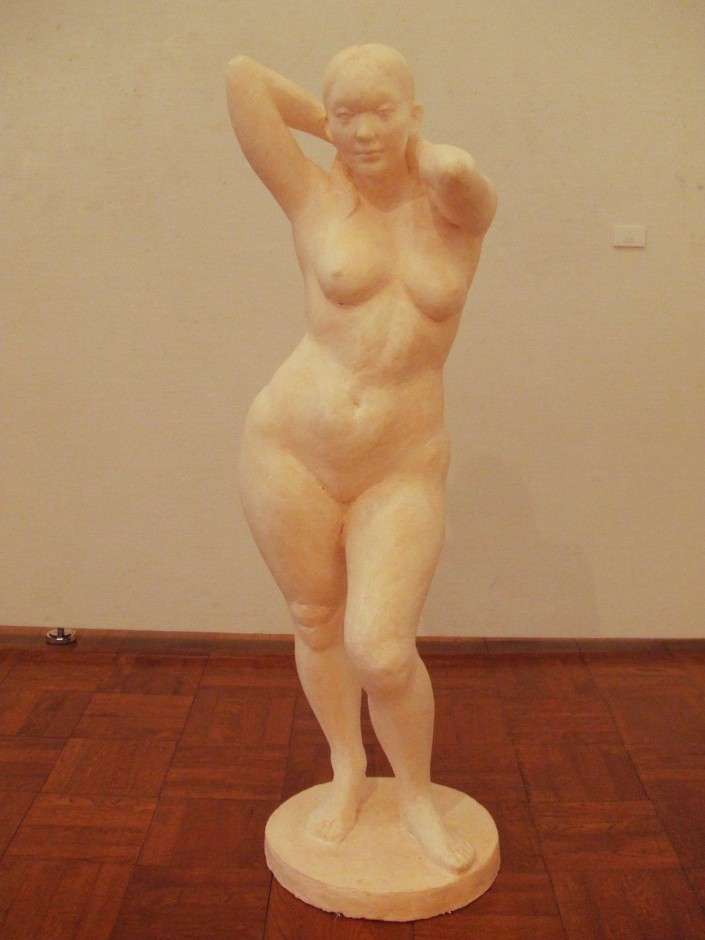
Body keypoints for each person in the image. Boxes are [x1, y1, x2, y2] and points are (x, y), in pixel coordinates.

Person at [226, 44, 496, 873]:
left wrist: (402, 141)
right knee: (316, 621)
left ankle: (414, 795)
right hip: (289, 446)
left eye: (381, 110)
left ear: (415, 113)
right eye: (346, 113)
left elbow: (464, 179)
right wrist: (337, 129)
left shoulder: (453, 207)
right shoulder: (312, 196)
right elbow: (243, 81)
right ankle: (347, 768)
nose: (361, 130)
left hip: (400, 464)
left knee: (379, 648)